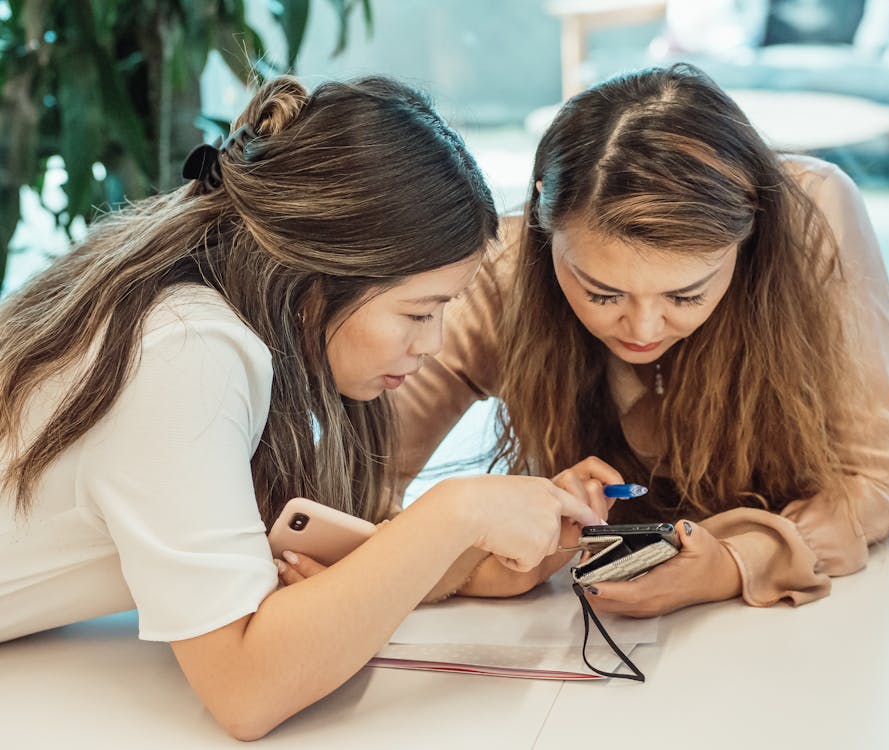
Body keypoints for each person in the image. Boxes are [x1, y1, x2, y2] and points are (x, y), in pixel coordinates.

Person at [0, 75, 604, 740]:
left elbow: (308, 569)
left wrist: (475, 551)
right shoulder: (187, 351)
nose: (432, 344)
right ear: (319, 279)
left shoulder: (208, 307)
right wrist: (457, 511)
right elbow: (245, 688)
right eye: (418, 311)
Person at [394, 64, 889, 616]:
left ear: (751, 231)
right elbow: (364, 485)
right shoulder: (503, 271)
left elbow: (872, 483)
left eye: (685, 296)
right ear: (546, 220)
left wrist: (735, 562)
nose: (642, 331)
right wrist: (489, 556)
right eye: (601, 294)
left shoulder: (813, 216)